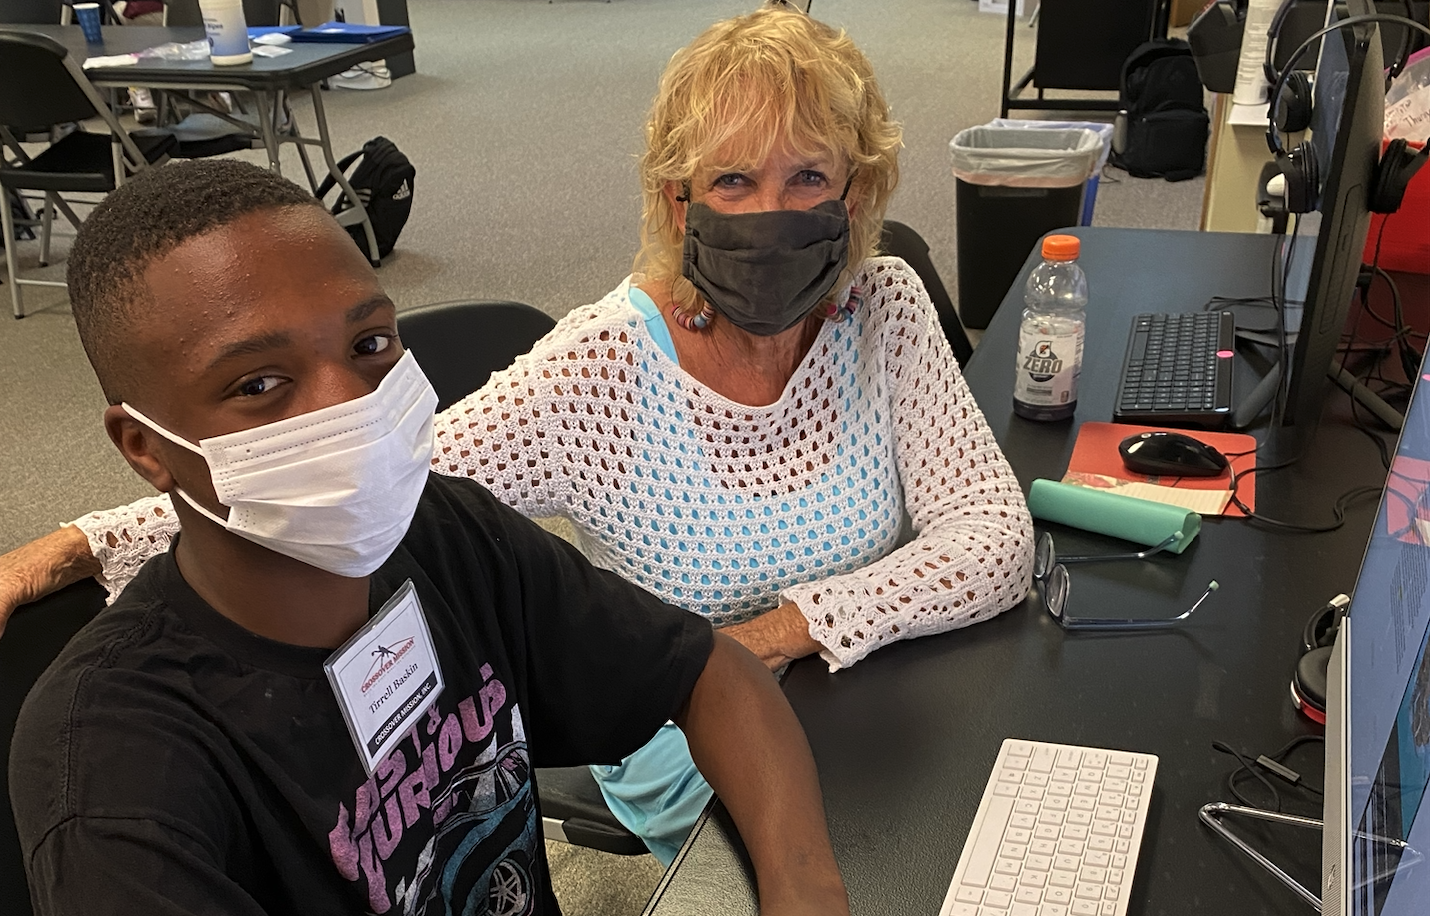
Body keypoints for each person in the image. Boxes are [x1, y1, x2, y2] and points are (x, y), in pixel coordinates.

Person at [0, 3, 1033, 865]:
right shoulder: (602, 367)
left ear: (857, 191)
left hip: (854, 674)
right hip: (682, 721)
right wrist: (81, 541)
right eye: (733, 181)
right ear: (679, 202)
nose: (773, 210)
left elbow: (992, 538)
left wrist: (792, 627)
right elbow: (358, 462)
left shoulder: (880, 302)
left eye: (809, 178)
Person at [8, 159, 849, 916]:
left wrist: (805, 893)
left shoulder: (445, 532)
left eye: (370, 344)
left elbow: (710, 673)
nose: (351, 406)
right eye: (259, 384)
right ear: (146, 446)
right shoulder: (116, 765)